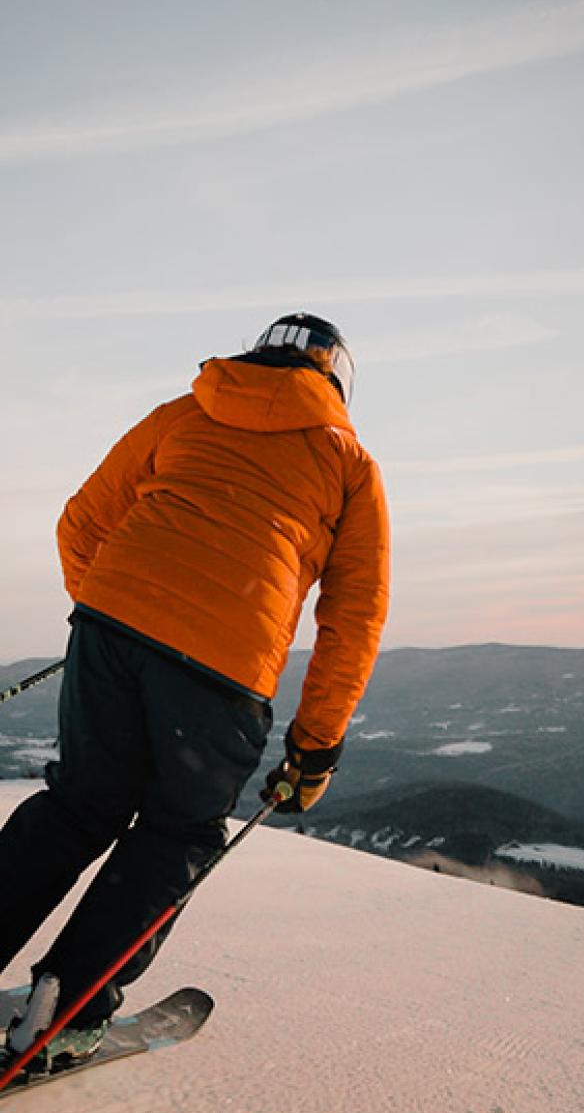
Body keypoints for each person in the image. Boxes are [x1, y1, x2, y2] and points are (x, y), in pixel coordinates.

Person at [0, 313, 390, 1068]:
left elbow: (80, 523)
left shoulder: (184, 412)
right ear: (337, 380)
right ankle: (66, 1006)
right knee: (177, 835)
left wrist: (116, 619)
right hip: (224, 665)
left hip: (111, 626)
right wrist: (314, 747)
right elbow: (354, 618)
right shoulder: (350, 464)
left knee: (77, 807)